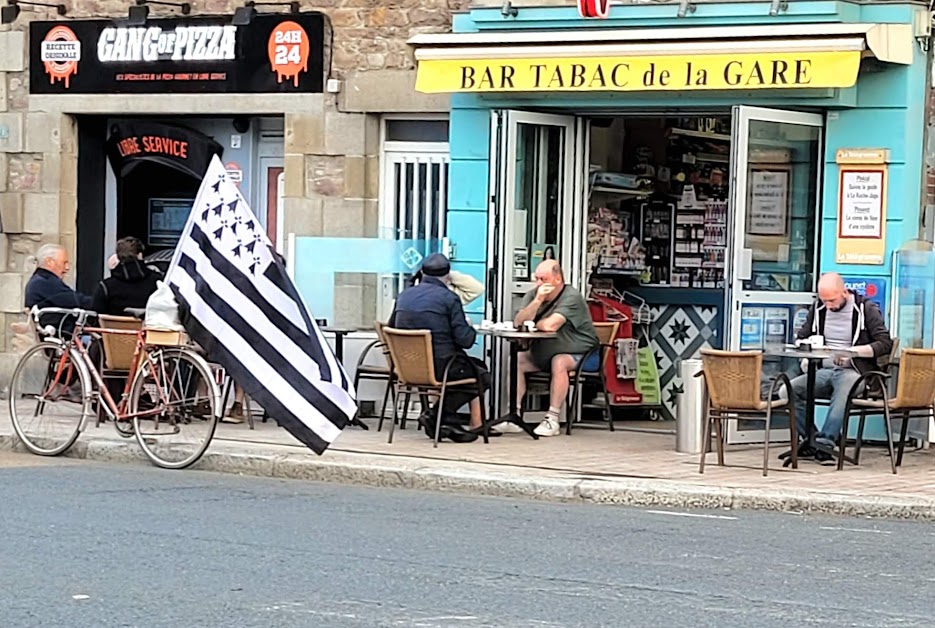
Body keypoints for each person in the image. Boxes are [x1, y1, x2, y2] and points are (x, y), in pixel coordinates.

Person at [790, 272, 893, 460]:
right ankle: (812, 440)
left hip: (856, 372)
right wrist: (807, 354)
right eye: (824, 301)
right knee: (788, 390)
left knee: (844, 385)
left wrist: (852, 353)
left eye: (832, 300)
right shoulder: (819, 309)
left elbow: (885, 343)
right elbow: (801, 338)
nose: (828, 305)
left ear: (844, 292)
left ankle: (826, 443)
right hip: (824, 370)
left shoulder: (865, 309)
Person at [389, 253, 489, 443]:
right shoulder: (448, 298)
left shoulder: (404, 295)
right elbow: (465, 340)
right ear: (447, 275)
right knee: (481, 375)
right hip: (442, 367)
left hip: (408, 367)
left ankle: (446, 422)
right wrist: (470, 328)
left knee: (472, 368)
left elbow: (392, 327)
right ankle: (436, 416)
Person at [507, 260, 599, 437]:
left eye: (544, 279)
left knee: (560, 361)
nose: (539, 284)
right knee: (518, 360)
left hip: (583, 355)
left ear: (557, 279)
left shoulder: (571, 297)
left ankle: (552, 418)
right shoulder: (533, 295)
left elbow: (550, 326)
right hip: (544, 354)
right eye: (537, 279)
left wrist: (534, 323)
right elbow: (519, 322)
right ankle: (515, 415)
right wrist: (537, 301)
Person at [25, 243, 93, 335]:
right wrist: (101, 302)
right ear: (49, 262)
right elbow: (74, 300)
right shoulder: (45, 282)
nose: (67, 268)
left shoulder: (40, 280)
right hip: (62, 333)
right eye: (64, 263)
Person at [91, 237, 162, 316]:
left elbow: (96, 315)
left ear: (118, 257)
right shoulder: (158, 282)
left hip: (114, 327)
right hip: (148, 326)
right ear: (140, 255)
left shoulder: (105, 287)